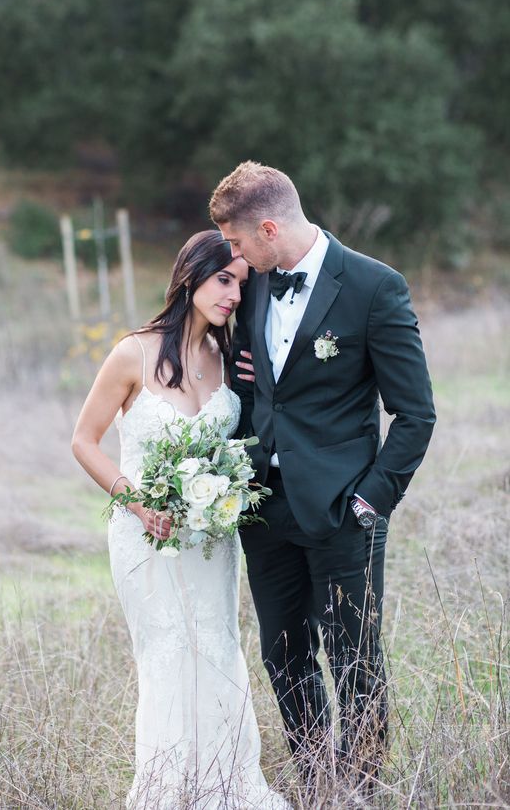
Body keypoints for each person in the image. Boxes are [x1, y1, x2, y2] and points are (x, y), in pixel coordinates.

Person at [210, 161, 436, 790]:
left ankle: (361, 791)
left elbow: (415, 413)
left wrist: (372, 502)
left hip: (344, 510)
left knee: (355, 659)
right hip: (265, 506)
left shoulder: (374, 287)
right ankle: (315, 783)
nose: (234, 256)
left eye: (236, 242)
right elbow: (250, 386)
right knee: (283, 655)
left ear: (270, 227)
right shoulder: (252, 286)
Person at [71, 230, 291, 810]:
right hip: (145, 535)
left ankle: (226, 785)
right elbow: (84, 441)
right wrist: (136, 499)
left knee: (216, 648)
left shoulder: (228, 358)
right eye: (224, 280)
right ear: (190, 275)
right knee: (169, 652)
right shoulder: (132, 353)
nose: (234, 296)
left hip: (210, 538)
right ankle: (168, 791)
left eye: (242, 286)